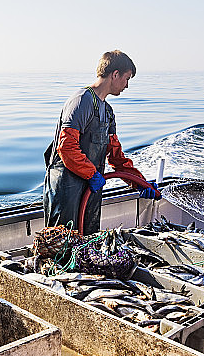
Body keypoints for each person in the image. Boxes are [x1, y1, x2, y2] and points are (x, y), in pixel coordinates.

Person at [43, 50, 161, 235]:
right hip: (67, 188)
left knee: (89, 238)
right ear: (115, 74)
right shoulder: (82, 101)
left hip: (91, 187)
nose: (127, 86)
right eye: (127, 78)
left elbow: (116, 157)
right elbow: (66, 147)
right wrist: (91, 174)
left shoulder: (107, 111)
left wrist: (140, 183)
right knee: (63, 243)